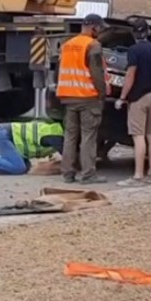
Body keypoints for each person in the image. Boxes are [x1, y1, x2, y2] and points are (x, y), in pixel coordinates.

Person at [56, 13, 109, 184]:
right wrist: (102, 93)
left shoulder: (67, 45)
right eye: (100, 28)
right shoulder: (93, 45)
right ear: (93, 27)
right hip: (87, 97)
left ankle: (68, 173)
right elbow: (97, 73)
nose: (100, 32)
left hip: (68, 96)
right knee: (88, 136)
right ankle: (88, 174)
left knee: (70, 136)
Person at [115, 16, 151, 183]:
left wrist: (122, 97)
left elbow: (131, 75)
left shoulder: (134, 51)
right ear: (149, 32)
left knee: (138, 136)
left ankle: (138, 175)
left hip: (138, 97)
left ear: (134, 34)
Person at [0, 119, 65, 175]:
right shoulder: (56, 137)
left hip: (7, 135)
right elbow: (67, 155)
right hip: (1, 134)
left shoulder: (57, 130)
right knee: (18, 168)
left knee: (26, 167)